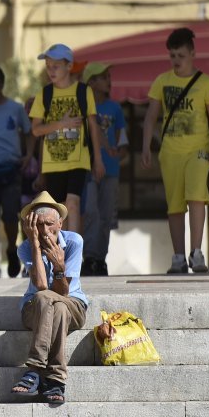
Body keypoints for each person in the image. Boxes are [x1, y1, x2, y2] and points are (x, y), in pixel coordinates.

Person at [141, 28, 209, 274]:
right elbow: (151, 116)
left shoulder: (205, 82)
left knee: (197, 196)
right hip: (170, 151)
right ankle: (178, 257)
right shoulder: (162, 81)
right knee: (175, 204)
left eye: (181, 55)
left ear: (193, 54)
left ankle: (196, 253)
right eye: (173, 55)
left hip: (199, 149)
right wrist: (146, 146)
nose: (176, 60)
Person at [11, 191, 88, 406]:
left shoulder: (74, 242)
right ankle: (56, 380)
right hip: (34, 308)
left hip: (74, 304)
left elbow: (63, 293)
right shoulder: (26, 248)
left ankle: (34, 371)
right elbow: (42, 286)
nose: (45, 231)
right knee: (49, 301)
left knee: (59, 304)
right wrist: (35, 246)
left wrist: (60, 268)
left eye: (49, 224)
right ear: (30, 227)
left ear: (60, 224)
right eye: (38, 225)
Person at [29, 44, 105, 234]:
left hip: (78, 159)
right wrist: (61, 124)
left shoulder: (83, 91)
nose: (51, 70)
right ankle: (59, 253)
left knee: (73, 203)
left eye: (56, 66)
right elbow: (36, 130)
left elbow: (93, 126)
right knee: (58, 211)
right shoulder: (44, 94)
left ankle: (74, 257)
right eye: (48, 66)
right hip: (53, 162)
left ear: (69, 66)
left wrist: (98, 160)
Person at [0, 65, 35, 278]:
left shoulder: (15, 108)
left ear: (0, 85)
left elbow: (30, 132)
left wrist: (28, 154)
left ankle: (12, 248)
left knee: (11, 216)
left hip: (11, 169)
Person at [81, 62, 127, 277]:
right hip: (87, 167)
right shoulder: (83, 107)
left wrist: (120, 152)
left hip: (111, 169)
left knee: (107, 214)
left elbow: (122, 137)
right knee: (91, 212)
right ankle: (89, 257)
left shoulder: (115, 108)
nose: (108, 80)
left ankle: (101, 258)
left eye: (109, 76)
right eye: (103, 77)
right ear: (91, 82)